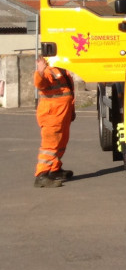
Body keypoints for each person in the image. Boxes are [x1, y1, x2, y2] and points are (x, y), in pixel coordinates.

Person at [33, 55, 75, 188]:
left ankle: (55, 170)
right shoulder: (48, 70)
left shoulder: (63, 70)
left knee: (61, 143)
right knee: (50, 146)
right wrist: (39, 70)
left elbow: (68, 93)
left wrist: (72, 110)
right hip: (52, 115)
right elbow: (39, 83)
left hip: (62, 114)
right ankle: (41, 175)